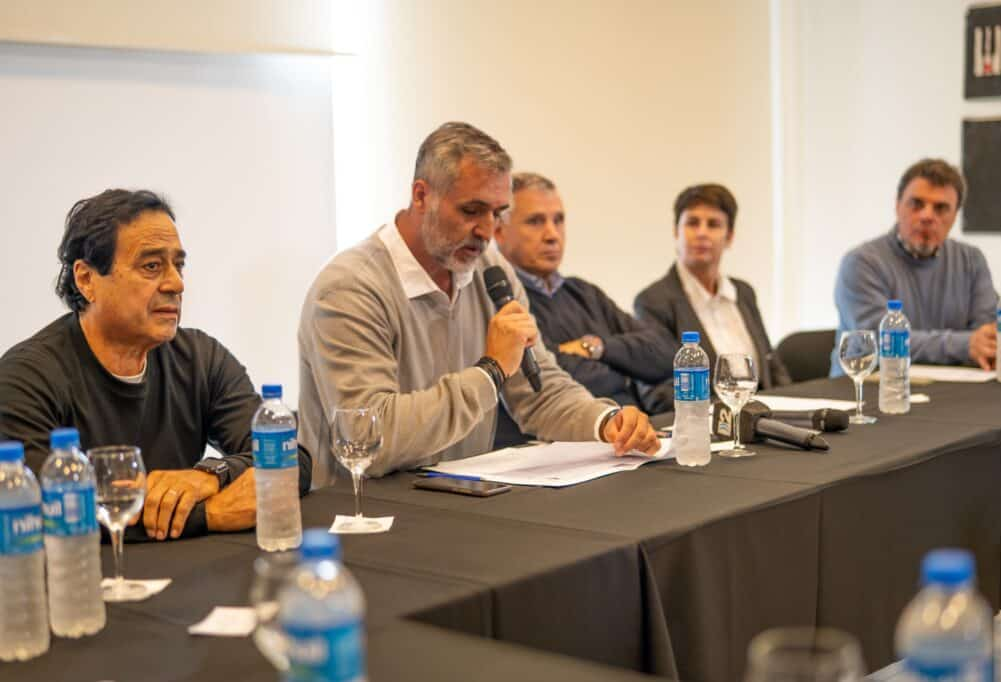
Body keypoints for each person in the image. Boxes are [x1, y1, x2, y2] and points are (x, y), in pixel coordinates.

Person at [298, 122, 659, 487]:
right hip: (363, 509)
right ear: (421, 196)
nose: (487, 231)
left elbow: (539, 391)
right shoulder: (350, 288)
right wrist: (491, 370)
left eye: (497, 213)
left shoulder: (490, 269)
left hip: (463, 500)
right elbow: (367, 440)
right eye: (471, 210)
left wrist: (605, 423)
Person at [0, 189, 312, 541]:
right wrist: (208, 514)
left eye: (179, 265)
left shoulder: (200, 358)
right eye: (151, 266)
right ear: (86, 279)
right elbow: (43, 508)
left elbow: (293, 460)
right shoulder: (25, 378)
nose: (177, 283)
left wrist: (211, 475)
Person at [493, 171, 676, 416]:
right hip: (567, 433)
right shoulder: (500, 300)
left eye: (558, 220)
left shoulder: (583, 293)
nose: (552, 235)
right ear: (499, 231)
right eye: (535, 221)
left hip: (635, 426)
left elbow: (666, 353)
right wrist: (627, 370)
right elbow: (549, 381)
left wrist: (596, 347)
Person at [831, 159, 998, 375]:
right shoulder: (861, 263)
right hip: (868, 388)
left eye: (941, 208)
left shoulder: (971, 260)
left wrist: (982, 344)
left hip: (950, 387)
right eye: (916, 204)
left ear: (955, 215)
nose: (927, 216)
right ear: (897, 205)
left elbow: (986, 335)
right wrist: (964, 345)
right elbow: (882, 340)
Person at [634, 183, 790, 408]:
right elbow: (658, 393)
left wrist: (790, 408)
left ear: (729, 237)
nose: (702, 233)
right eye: (692, 223)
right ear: (676, 232)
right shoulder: (653, 301)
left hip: (762, 417)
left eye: (713, 224)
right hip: (704, 423)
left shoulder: (743, 292)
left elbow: (772, 366)